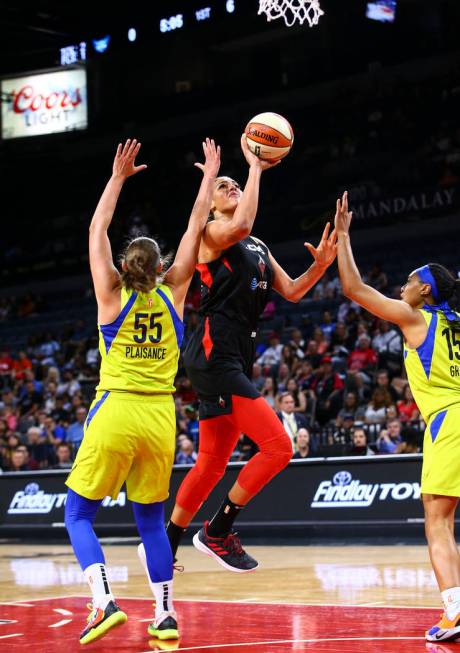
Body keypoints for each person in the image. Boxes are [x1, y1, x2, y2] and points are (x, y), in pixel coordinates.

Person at [64, 137, 221, 644]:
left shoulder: (110, 294)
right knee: (152, 521)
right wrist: (208, 176)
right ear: (159, 267)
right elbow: (197, 224)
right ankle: (165, 615)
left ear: (126, 267)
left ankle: (103, 601)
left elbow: (96, 228)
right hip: (160, 417)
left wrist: (117, 178)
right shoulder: (175, 291)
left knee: (78, 512)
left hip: (116, 411)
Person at [158, 134, 337, 573]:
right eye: (224, 186)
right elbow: (240, 226)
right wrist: (256, 168)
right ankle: (217, 530)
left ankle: (166, 543)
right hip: (213, 352)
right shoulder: (209, 234)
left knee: (213, 462)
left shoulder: (258, 248)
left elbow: (293, 291)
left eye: (237, 183)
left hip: (235, 354)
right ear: (211, 203)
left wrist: (319, 266)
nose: (232, 187)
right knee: (278, 447)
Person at [335, 190, 460, 642]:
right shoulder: (456, 322)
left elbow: (353, 290)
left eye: (409, 281)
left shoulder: (416, 318)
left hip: (450, 420)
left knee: (438, 521)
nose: (402, 287)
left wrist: (344, 237)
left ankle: (455, 611)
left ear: (424, 289)